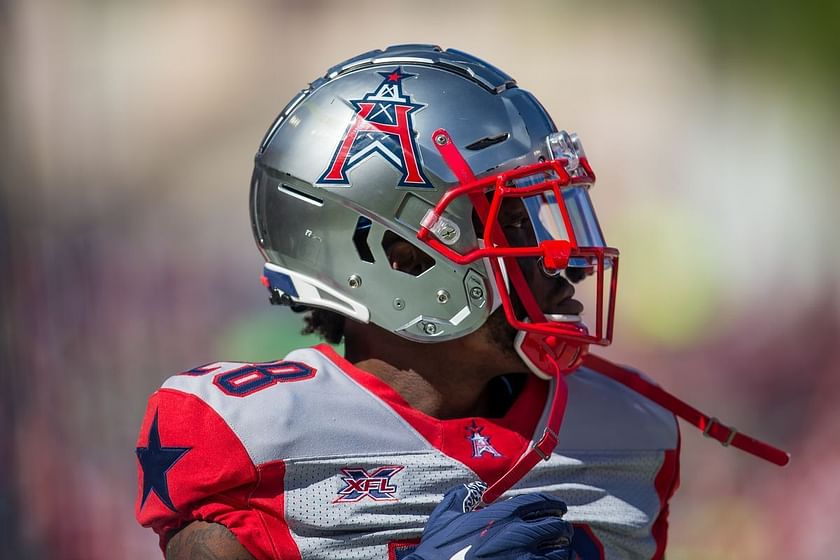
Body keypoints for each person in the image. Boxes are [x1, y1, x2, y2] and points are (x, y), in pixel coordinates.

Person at [135, 44, 787, 560]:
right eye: (520, 225)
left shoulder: (625, 435)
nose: (568, 264)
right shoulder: (247, 438)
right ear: (403, 258)